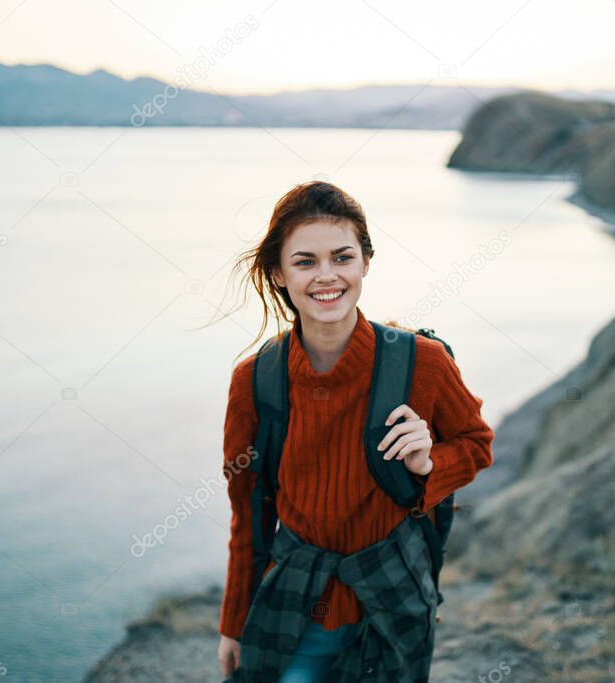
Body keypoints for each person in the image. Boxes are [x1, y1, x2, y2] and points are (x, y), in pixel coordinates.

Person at [212, 180, 495, 681]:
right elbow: (249, 517)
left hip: (395, 597)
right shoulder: (254, 381)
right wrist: (234, 624)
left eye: (342, 257)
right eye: (305, 262)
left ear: (365, 262)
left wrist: (429, 464)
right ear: (278, 273)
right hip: (297, 602)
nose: (327, 276)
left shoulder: (421, 362)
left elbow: (476, 444)